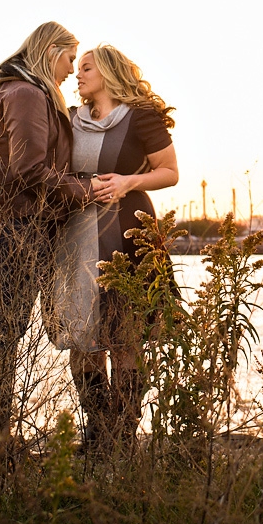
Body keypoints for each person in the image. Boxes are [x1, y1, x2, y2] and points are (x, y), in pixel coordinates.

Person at [0, 22, 94, 459]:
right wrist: (88, 190)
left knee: (1, 328)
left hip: (12, 222)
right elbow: (28, 170)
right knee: (1, 330)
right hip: (17, 225)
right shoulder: (25, 92)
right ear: (50, 50)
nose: (70, 71)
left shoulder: (13, 90)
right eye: (68, 59)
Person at [46, 43, 178, 450]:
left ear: (108, 73)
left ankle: (122, 431)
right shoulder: (67, 119)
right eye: (78, 67)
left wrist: (127, 182)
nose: (77, 74)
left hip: (128, 232)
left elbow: (170, 172)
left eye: (86, 68)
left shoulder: (142, 118)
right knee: (83, 337)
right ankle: (98, 426)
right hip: (74, 234)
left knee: (125, 335)